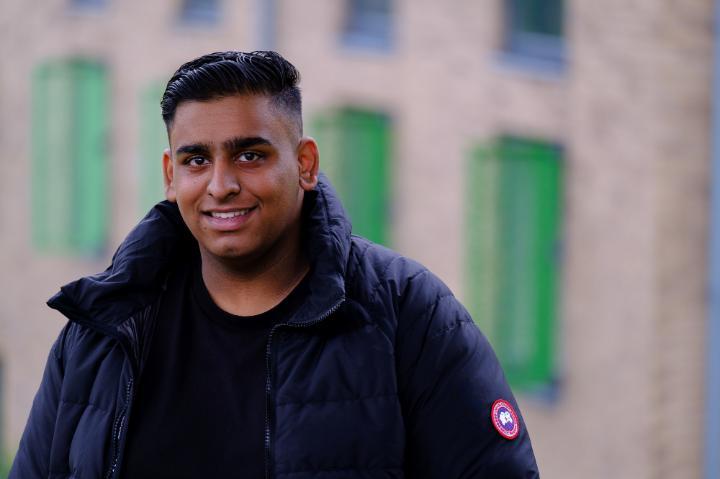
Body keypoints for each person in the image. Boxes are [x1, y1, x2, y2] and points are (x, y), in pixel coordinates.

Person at [10, 51, 539, 478]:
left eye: (250, 155)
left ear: (304, 164)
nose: (221, 185)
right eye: (197, 160)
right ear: (171, 176)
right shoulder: (105, 329)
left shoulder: (409, 316)